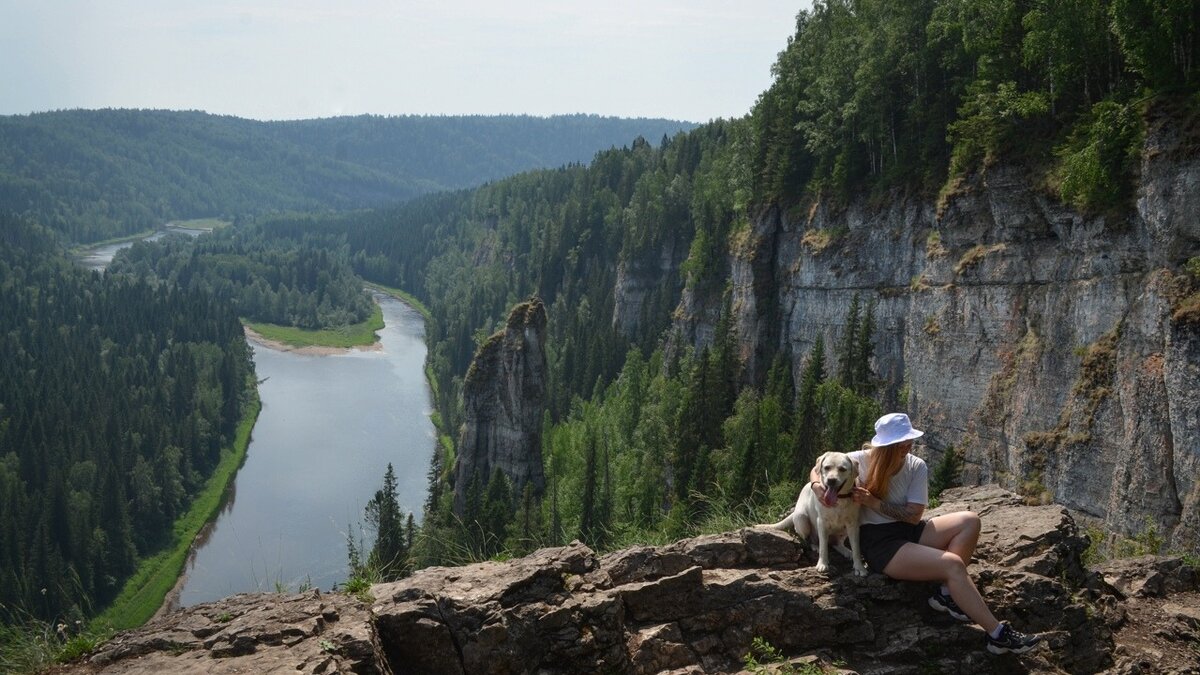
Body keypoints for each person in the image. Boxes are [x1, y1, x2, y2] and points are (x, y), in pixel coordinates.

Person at [810, 412, 1042, 655]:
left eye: (909, 442)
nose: (908, 447)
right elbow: (818, 469)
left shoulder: (915, 465)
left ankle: (945, 595)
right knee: (952, 565)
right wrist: (817, 487)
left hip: (909, 529)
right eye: (902, 444)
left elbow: (913, 516)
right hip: (879, 543)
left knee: (970, 521)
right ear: (886, 447)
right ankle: (997, 635)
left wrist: (874, 503)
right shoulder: (858, 461)